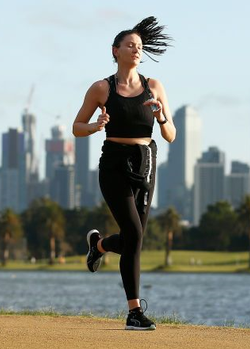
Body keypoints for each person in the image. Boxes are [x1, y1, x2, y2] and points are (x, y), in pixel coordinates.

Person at [72, 16, 176, 331]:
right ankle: (134, 312)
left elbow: (171, 134)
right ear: (115, 50)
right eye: (129, 45)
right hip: (114, 163)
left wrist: (160, 117)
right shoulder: (101, 88)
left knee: (135, 238)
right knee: (134, 233)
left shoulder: (154, 86)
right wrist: (96, 126)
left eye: (139, 46)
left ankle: (99, 245)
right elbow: (77, 127)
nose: (135, 49)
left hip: (146, 161)